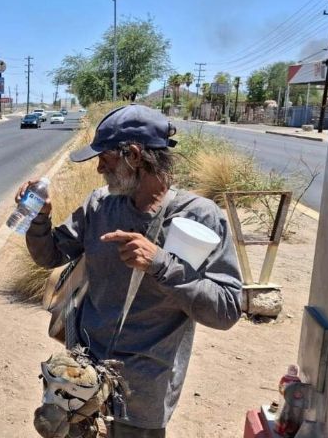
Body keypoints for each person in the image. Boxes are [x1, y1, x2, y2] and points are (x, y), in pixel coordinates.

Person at [21, 104, 242, 437]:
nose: (99, 169)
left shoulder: (199, 217)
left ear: (134, 155)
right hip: (80, 380)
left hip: (142, 395)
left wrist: (161, 264)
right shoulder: (100, 205)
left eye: (105, 159)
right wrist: (39, 218)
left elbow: (226, 311)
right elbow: (50, 254)